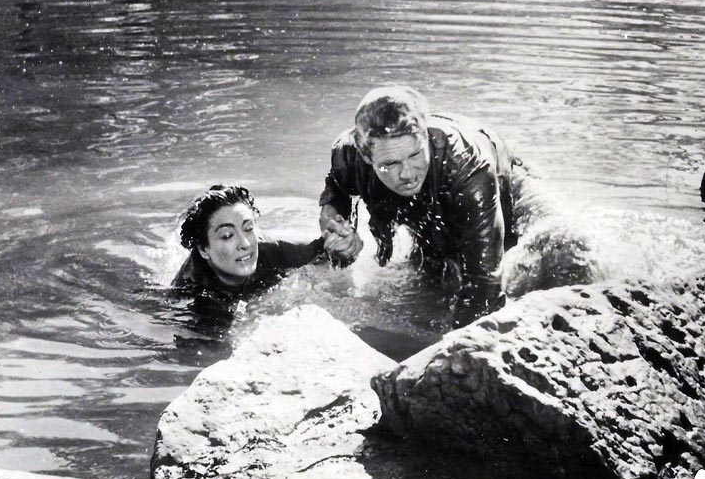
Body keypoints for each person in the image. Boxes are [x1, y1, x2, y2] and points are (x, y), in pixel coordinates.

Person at [319, 86, 518, 327]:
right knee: (429, 271)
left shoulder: (468, 166)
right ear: (367, 157)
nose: (407, 174)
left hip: (484, 165)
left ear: (426, 137)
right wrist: (337, 229)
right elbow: (337, 189)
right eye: (390, 163)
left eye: (415, 155)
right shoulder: (348, 155)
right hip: (442, 170)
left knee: (497, 264)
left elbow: (484, 282)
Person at [172, 184, 329, 309]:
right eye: (227, 236)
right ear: (203, 249)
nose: (246, 244)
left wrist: (342, 244)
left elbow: (326, 249)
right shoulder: (189, 287)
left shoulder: (274, 251)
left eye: (248, 228)